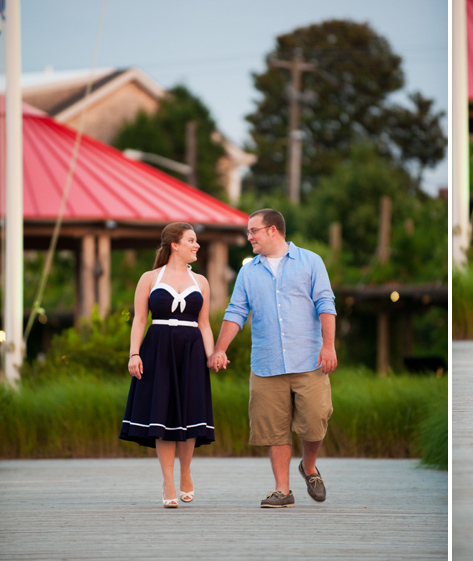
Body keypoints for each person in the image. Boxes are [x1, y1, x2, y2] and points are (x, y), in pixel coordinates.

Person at [208, 208, 338, 508]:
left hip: (309, 359)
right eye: (248, 232)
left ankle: (308, 466)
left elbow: (325, 303)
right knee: (273, 427)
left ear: (272, 230)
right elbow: (236, 312)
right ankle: (283, 490)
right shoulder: (248, 272)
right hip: (266, 363)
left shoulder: (310, 261)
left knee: (316, 419)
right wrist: (220, 349)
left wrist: (328, 346)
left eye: (253, 231)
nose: (249, 236)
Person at [120, 222, 216, 508]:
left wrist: (211, 355)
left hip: (191, 352)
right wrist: (134, 354)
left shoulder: (201, 281)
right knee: (161, 415)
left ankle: (185, 472)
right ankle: (168, 481)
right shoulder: (149, 278)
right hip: (158, 350)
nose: (196, 245)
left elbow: (205, 324)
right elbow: (139, 320)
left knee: (188, 414)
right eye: (191, 240)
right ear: (174, 244)